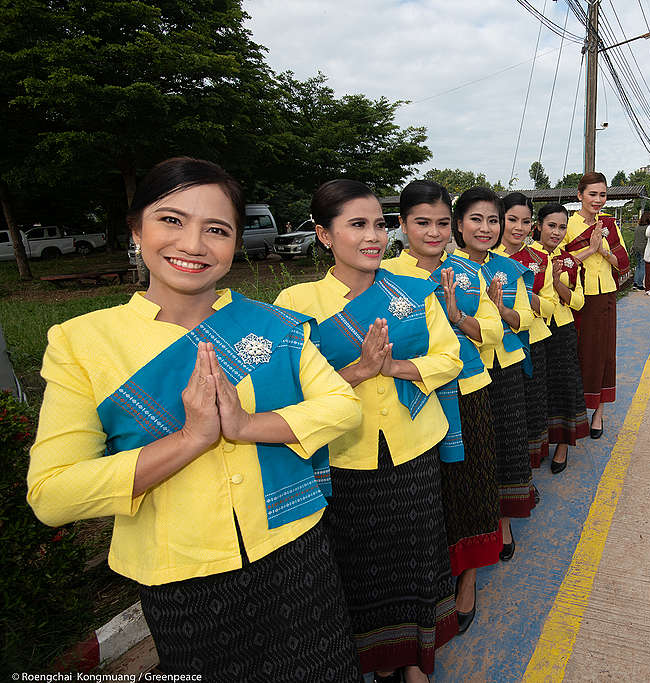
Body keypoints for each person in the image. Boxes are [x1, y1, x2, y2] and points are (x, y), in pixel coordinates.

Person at [27, 157, 363, 681]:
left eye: (217, 229)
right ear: (136, 230)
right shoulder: (82, 343)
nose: (193, 244)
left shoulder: (275, 325)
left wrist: (248, 426)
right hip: (180, 580)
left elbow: (341, 405)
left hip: (297, 551)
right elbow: (53, 494)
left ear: (234, 244)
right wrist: (190, 440)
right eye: (171, 220)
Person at [274, 179, 462, 683]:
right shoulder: (297, 302)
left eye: (379, 223)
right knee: (360, 568)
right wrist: (356, 372)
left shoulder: (413, 290)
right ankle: (376, 661)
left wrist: (393, 367)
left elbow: (450, 357)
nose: (373, 235)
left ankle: (415, 660)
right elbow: (287, 392)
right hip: (342, 458)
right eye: (357, 224)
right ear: (324, 235)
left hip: (413, 446)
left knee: (417, 560)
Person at [381, 179, 504, 636]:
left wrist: (460, 318)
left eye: (439, 223)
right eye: (421, 223)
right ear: (402, 225)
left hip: (467, 389)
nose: (432, 233)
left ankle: (468, 576)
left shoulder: (469, 273)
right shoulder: (384, 275)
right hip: (410, 396)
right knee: (427, 492)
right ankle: (431, 581)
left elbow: (492, 330)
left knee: (469, 481)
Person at [451, 185, 536, 562]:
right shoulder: (443, 270)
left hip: (505, 367)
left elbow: (526, 319)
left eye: (493, 221)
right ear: (459, 225)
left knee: (507, 441)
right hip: (466, 374)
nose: (485, 228)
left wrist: (501, 311)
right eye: (476, 220)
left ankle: (503, 520)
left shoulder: (509, 269)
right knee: (476, 453)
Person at [561, 172, 629, 438]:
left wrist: (603, 251)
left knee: (604, 354)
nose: (598, 200)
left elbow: (621, 262)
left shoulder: (610, 225)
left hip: (606, 296)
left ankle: (598, 413)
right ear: (580, 195)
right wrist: (589, 249)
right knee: (577, 354)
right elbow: (561, 262)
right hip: (576, 297)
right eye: (592, 194)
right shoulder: (567, 226)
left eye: (602, 195)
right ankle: (576, 411)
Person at [497, 192, 554, 469]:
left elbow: (551, 307)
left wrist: (526, 294)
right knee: (509, 414)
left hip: (536, 338)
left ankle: (531, 466)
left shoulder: (538, 258)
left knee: (533, 404)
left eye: (526, 221)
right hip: (500, 345)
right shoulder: (485, 259)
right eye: (512, 220)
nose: (519, 228)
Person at [533, 203, 588, 473]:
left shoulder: (570, 261)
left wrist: (556, 283)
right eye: (551, 225)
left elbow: (578, 302)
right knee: (540, 389)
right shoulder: (527, 256)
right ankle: (541, 443)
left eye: (562, 227)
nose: (556, 232)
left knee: (564, 386)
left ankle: (563, 445)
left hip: (562, 329)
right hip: (534, 331)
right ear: (539, 225)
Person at [632, 210, 650, 290]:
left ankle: (635, 283)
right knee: (642, 266)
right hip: (643, 249)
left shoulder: (638, 227)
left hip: (636, 248)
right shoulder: (648, 227)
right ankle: (640, 284)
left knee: (638, 266)